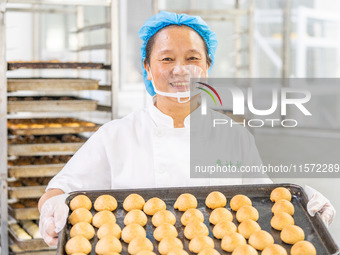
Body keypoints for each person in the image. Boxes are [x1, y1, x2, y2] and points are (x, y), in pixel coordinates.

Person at [38, 11, 335, 247]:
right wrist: (51, 211)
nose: (180, 70)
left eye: (192, 58)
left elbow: (265, 202)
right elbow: (57, 191)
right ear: (147, 67)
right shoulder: (115, 136)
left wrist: (302, 202)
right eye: (167, 59)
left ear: (207, 67)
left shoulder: (234, 135)